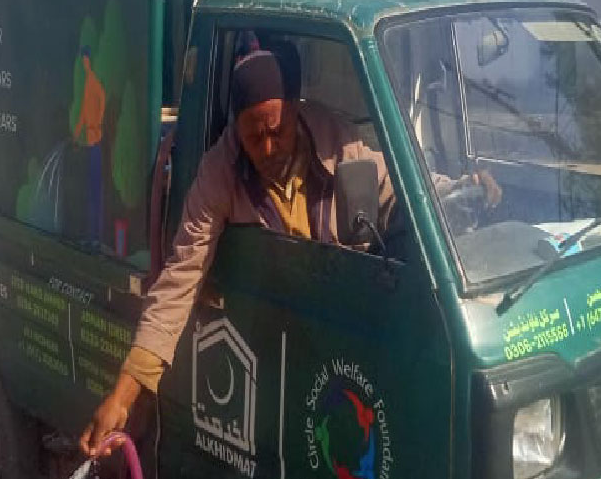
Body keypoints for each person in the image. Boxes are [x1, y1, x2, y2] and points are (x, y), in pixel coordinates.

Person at [80, 46, 500, 455]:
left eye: (276, 132)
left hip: (339, 326)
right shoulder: (218, 173)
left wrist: (462, 190)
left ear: (296, 113)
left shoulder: (340, 144)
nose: (265, 149)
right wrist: (122, 394)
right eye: (252, 136)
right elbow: (177, 282)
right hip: (274, 342)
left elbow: (400, 192)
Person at [73, 46, 107, 245]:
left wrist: (99, 121)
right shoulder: (87, 83)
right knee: (90, 193)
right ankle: (91, 235)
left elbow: (102, 99)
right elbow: (84, 114)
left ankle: (96, 237)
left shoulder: (93, 82)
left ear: (89, 60)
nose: (84, 63)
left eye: (85, 59)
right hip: (89, 142)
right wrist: (76, 134)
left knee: (95, 192)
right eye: (82, 60)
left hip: (95, 143)